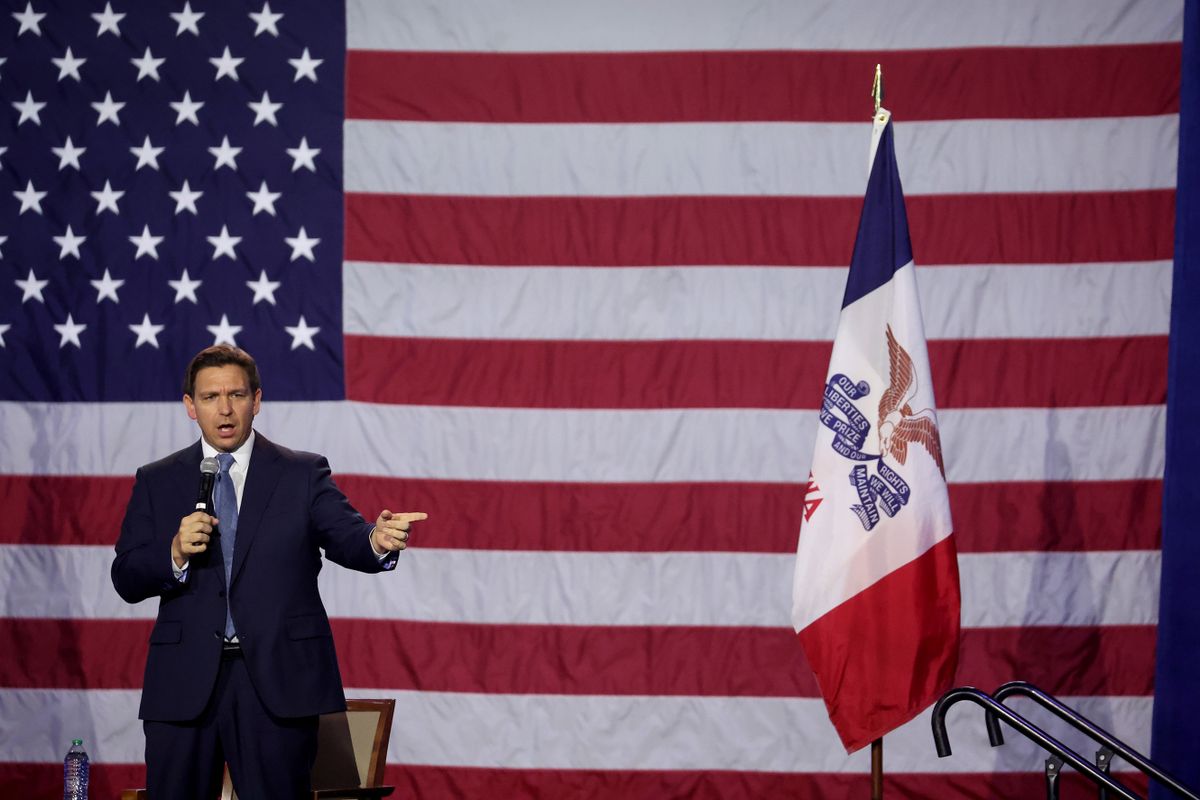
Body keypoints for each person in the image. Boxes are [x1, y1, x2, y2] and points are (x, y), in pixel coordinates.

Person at [111, 345, 425, 799]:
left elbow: (348, 536)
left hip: (277, 684)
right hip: (183, 684)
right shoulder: (158, 479)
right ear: (189, 406)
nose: (224, 408)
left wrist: (377, 540)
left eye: (236, 395)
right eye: (210, 397)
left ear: (256, 401)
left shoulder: (301, 472)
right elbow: (126, 577)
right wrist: (175, 552)